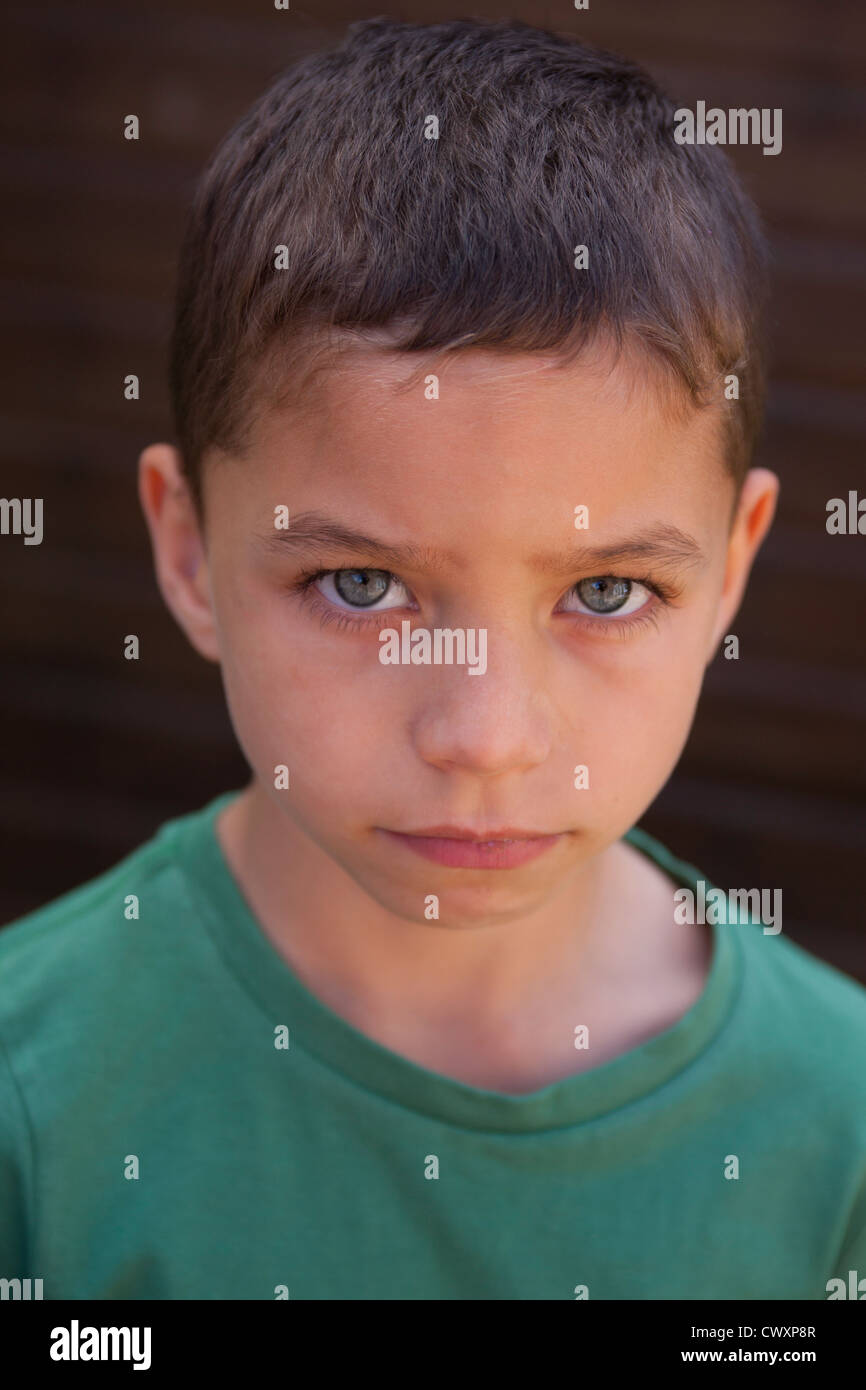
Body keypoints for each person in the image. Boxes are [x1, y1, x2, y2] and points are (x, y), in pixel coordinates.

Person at [2, 17, 864, 1301]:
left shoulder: (837, 1127)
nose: (484, 734)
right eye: (360, 585)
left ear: (729, 568)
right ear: (186, 552)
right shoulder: (34, 1098)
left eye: (607, 590)